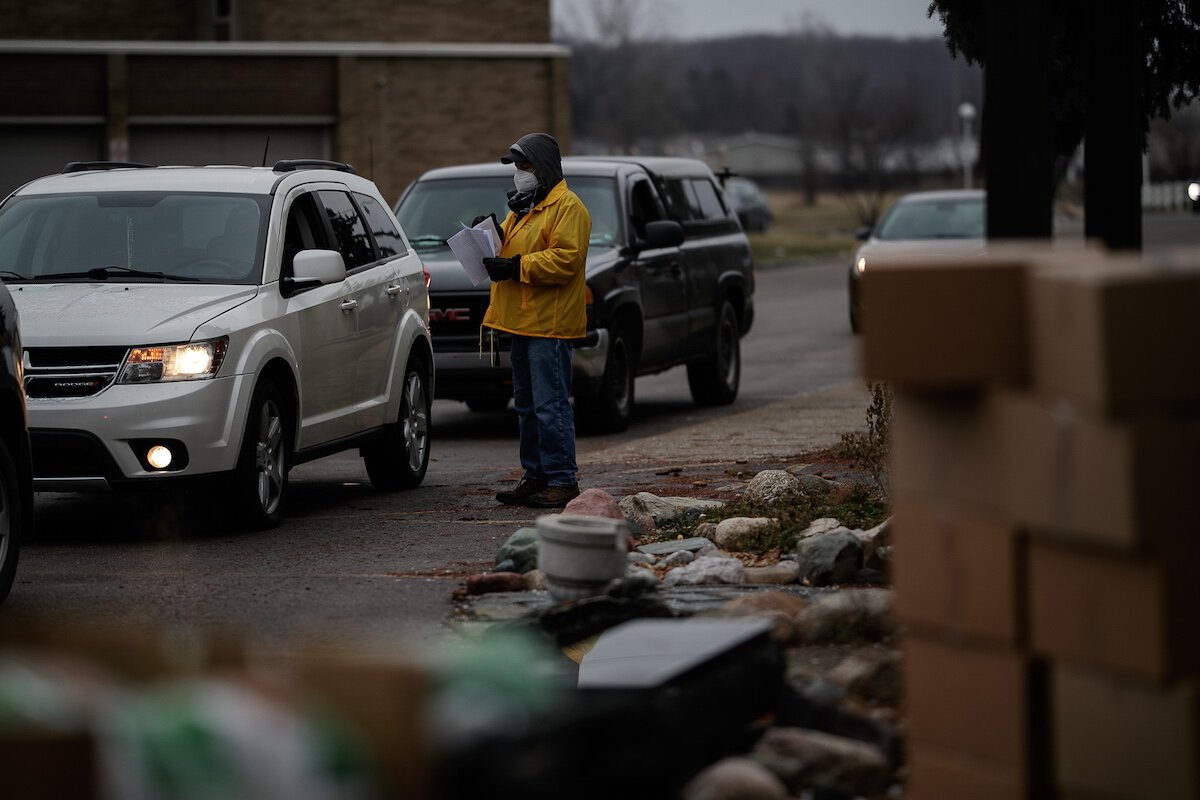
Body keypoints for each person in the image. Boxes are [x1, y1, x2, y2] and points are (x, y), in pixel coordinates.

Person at [476, 132, 591, 508]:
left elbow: (565, 259)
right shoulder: (523, 207)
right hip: (521, 322)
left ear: (541, 167)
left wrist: (515, 266)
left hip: (549, 325)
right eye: (516, 167)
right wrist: (490, 236)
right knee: (526, 406)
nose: (518, 173)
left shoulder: (568, 207)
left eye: (524, 165)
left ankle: (561, 478)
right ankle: (536, 475)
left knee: (551, 404)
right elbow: (515, 251)